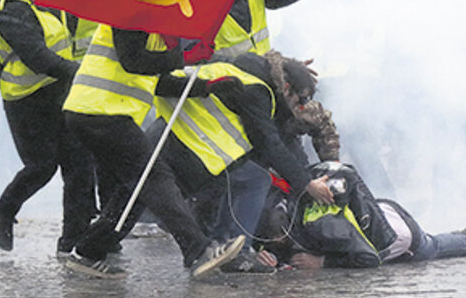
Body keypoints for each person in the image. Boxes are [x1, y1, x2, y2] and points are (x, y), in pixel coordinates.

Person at [59, 24, 250, 278]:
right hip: (102, 112)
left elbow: (156, 81)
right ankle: (198, 251)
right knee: (156, 176)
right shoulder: (132, 12)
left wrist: (206, 87)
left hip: (98, 112)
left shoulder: (151, 25)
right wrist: (185, 58)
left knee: (136, 189)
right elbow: (134, 61)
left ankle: (89, 251)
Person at [123, 51, 335, 276]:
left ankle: (96, 247)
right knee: (255, 180)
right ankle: (235, 252)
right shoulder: (257, 91)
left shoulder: (242, 66)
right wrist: (307, 184)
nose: (300, 106)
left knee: (140, 192)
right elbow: (269, 144)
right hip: (190, 144)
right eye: (300, 99)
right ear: (286, 88)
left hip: (169, 135)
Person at [0, 0, 95, 255]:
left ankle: (74, 240)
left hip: (59, 94)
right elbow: (37, 56)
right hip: (25, 100)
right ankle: (4, 210)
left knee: (79, 164)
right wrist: (78, 71)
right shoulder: (11, 8)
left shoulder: (52, 3)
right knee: (41, 166)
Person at [259, 162, 466, 269]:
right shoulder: (289, 206)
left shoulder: (324, 227)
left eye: (276, 240)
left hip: (401, 237)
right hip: (376, 211)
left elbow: (369, 259)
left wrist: (322, 262)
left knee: (432, 247)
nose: (274, 244)